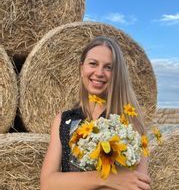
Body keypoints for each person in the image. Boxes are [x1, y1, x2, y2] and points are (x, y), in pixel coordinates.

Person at [40, 36, 151, 190]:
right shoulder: (64, 120)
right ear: (81, 69)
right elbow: (47, 183)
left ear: (117, 74)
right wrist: (107, 178)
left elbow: (137, 184)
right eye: (93, 64)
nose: (99, 72)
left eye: (108, 67)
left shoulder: (131, 123)